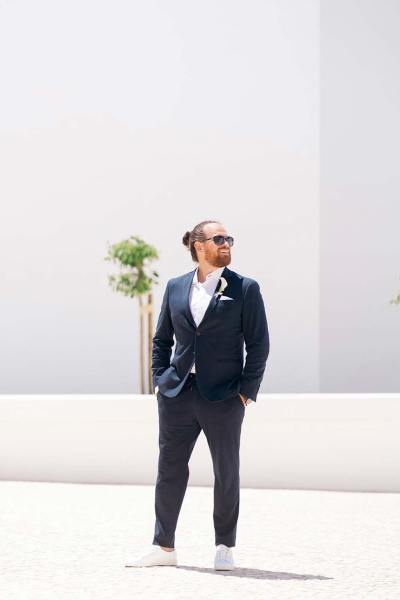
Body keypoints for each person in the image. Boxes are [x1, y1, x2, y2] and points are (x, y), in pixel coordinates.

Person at [126, 220, 270, 570]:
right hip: (177, 394)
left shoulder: (245, 288)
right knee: (169, 470)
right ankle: (164, 547)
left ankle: (224, 546)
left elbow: (259, 344)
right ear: (198, 245)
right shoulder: (175, 287)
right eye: (219, 239)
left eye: (229, 239)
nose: (227, 244)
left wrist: (245, 392)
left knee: (226, 471)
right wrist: (161, 380)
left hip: (224, 396)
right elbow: (161, 339)